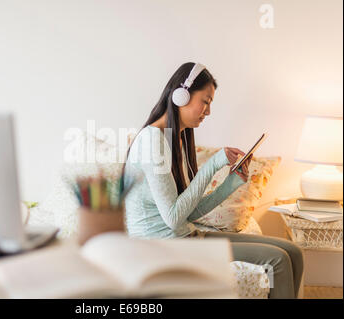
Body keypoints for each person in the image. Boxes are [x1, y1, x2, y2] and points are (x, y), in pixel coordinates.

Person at [123, 62, 304, 299]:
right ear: (181, 95)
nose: (208, 111)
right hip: (162, 247)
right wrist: (212, 165)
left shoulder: (174, 139)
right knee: (277, 260)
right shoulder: (151, 141)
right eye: (205, 101)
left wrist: (231, 182)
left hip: (184, 236)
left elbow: (189, 213)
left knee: (293, 251)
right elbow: (173, 218)